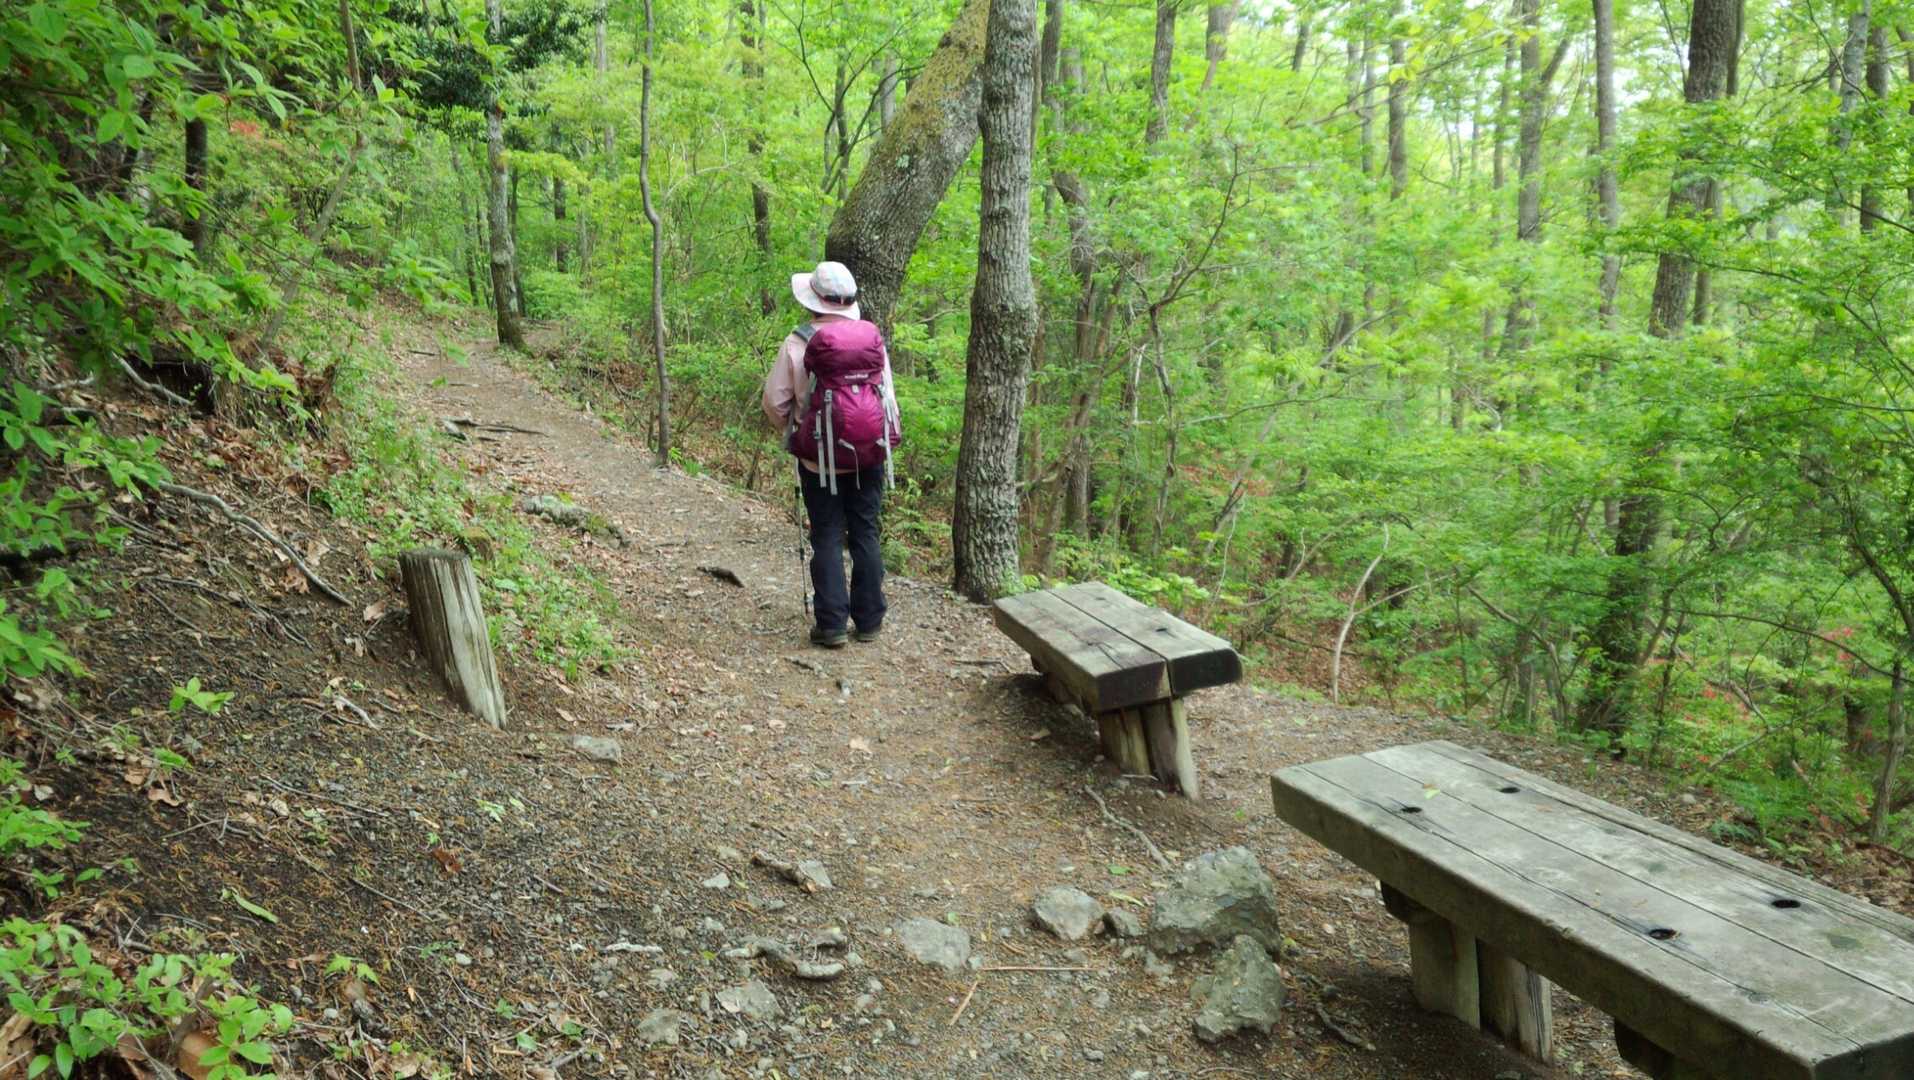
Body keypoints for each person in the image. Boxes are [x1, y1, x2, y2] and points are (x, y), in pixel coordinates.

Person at [762, 261, 901, 648]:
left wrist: (798, 430)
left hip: (818, 460)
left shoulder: (797, 342)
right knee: (866, 531)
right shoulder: (870, 340)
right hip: (869, 454)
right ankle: (869, 620)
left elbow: (774, 402)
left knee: (826, 533)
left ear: (813, 300)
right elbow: (887, 397)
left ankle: (832, 624)